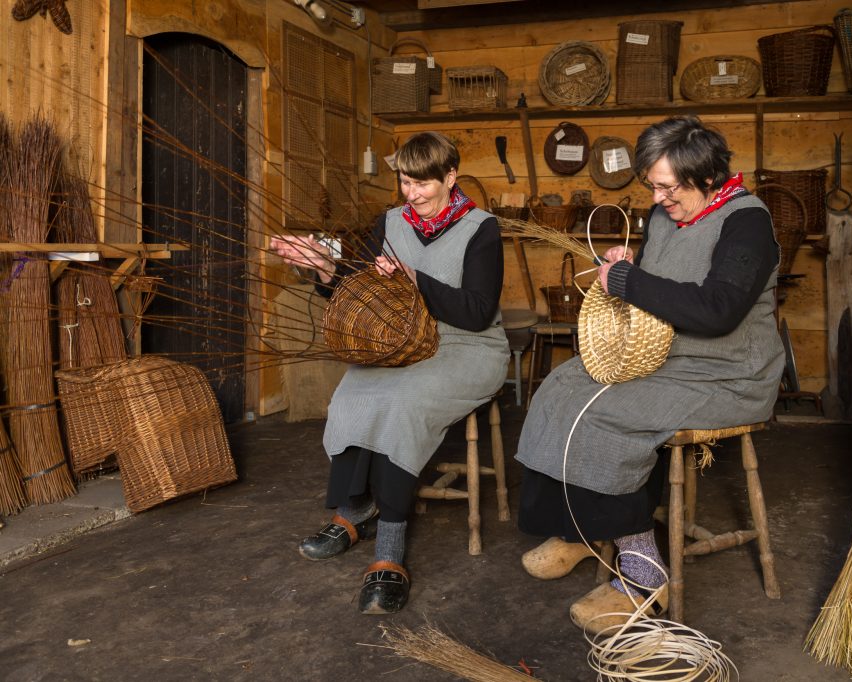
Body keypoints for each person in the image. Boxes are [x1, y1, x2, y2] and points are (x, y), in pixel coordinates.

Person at [514, 115, 784, 634]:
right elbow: (662, 277)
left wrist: (630, 281)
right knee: (561, 387)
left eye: (667, 186)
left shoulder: (746, 222)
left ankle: (643, 578)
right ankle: (582, 529)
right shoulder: (666, 215)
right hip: (666, 359)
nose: (658, 197)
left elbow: (717, 310)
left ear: (706, 176)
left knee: (607, 414)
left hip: (727, 375)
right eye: (653, 186)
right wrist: (628, 261)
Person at [269, 131, 508, 615]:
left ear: (450, 177)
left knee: (402, 403)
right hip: (400, 341)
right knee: (354, 390)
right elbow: (359, 289)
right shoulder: (390, 221)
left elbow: (479, 311)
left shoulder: (481, 229)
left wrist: (416, 279)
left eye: (423, 184)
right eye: (405, 182)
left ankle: (390, 552)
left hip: (465, 346)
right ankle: (356, 507)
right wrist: (321, 268)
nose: (412, 195)